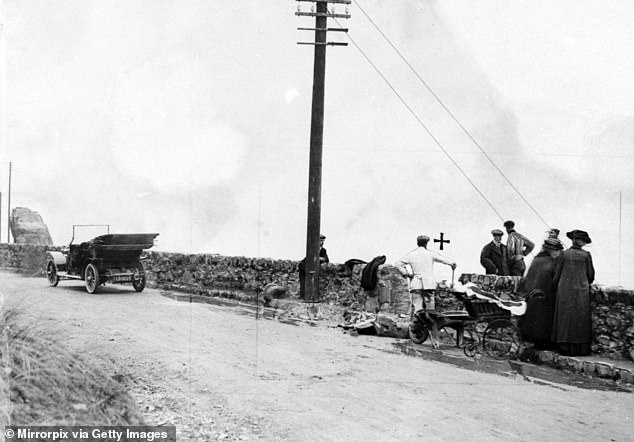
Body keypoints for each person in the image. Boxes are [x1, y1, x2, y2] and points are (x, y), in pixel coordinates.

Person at [551, 230, 595, 356]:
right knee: (579, 319)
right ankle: (580, 349)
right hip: (581, 292)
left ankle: (563, 346)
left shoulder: (564, 255)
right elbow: (590, 276)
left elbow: (556, 276)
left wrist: (559, 287)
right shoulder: (586, 255)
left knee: (565, 319)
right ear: (581, 242)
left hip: (564, 291)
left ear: (573, 240)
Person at [517, 237, 563, 348]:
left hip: (532, 294)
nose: (559, 253)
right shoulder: (552, 262)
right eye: (557, 251)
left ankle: (535, 342)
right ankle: (544, 343)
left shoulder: (536, 259)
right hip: (545, 295)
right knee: (544, 321)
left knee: (534, 320)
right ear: (552, 250)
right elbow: (556, 279)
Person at [298, 234, 329, 298]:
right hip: (304, 266)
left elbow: (326, 259)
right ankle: (303, 296)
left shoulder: (323, 250)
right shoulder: (312, 248)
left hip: (311, 267)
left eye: (323, 241)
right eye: (320, 240)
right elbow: (310, 258)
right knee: (304, 282)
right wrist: (319, 258)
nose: (322, 242)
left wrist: (320, 259)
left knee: (311, 282)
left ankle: (309, 297)